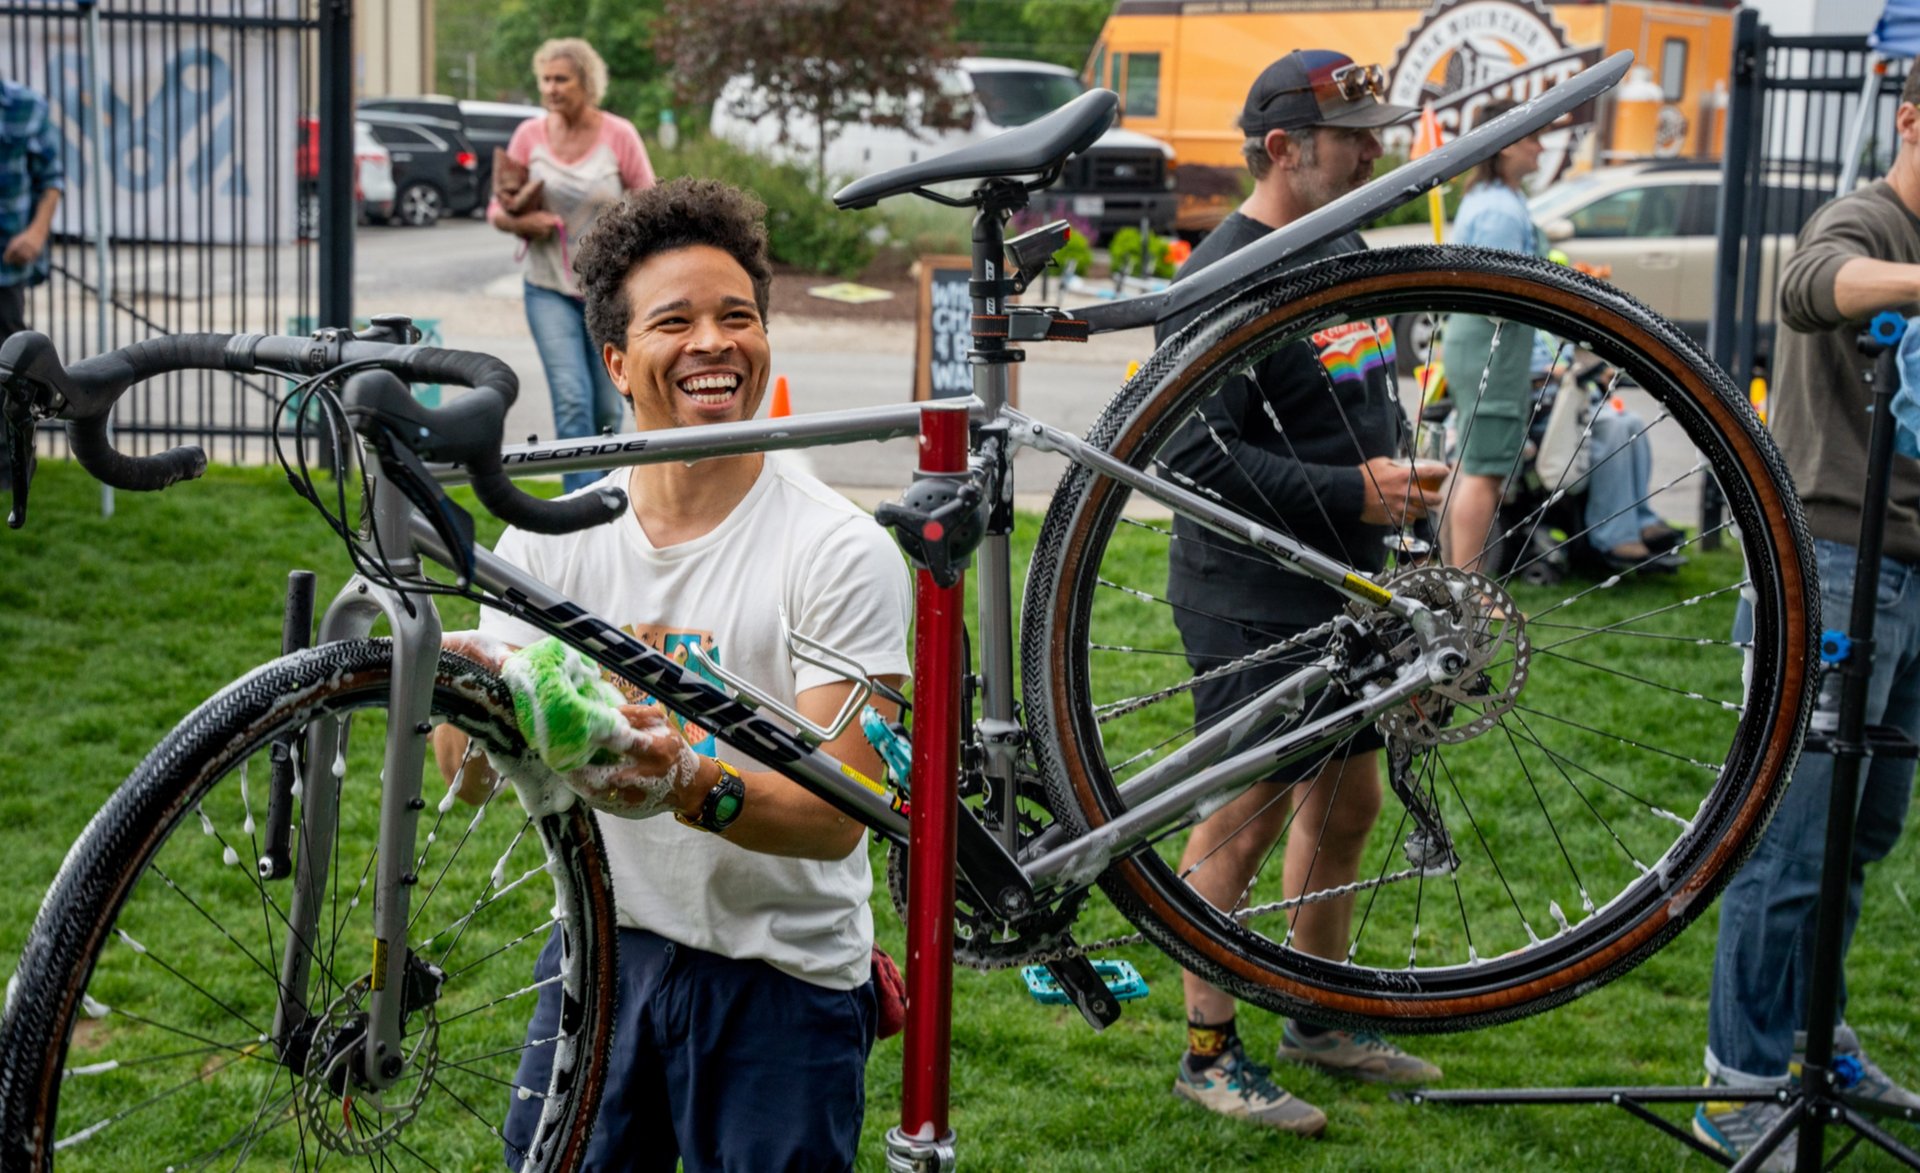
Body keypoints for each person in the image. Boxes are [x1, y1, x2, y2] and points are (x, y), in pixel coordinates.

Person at [436, 177, 912, 1170]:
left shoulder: (837, 549)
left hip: (784, 976)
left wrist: (686, 783)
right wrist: (467, 692)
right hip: (603, 952)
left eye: (737, 316)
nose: (714, 342)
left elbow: (842, 812)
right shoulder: (549, 547)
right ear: (615, 358)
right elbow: (467, 777)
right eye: (677, 321)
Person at [1155, 50, 1448, 1137]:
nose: (1376, 148)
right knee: (1244, 812)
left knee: (1348, 802)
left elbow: (1360, 398)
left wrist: (1397, 493)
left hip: (1351, 581)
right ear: (1283, 147)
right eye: (1355, 134)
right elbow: (1185, 457)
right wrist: (1348, 492)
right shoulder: (1220, 276)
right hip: (1252, 593)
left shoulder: (1339, 245)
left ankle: (1317, 1018)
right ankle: (1207, 1051)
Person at [1694, 68, 1920, 1170]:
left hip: (1909, 571)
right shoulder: (1864, 217)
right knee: (1784, 844)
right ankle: (1735, 1087)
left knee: (1857, 838)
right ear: (1912, 120)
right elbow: (1809, 281)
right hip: (1829, 566)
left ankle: (1817, 1044)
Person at [490, 38, 657, 493]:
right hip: (547, 289)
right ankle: (582, 516)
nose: (550, 88)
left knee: (607, 406)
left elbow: (650, 202)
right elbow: (497, 211)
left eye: (561, 79)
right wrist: (528, 220)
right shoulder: (529, 136)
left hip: (610, 291)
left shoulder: (618, 134)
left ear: (586, 82)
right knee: (572, 400)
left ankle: (610, 503)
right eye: (545, 79)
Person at [1440, 102, 1549, 574]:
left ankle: (1452, 578)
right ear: (1505, 146)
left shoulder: (1486, 197)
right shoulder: (1501, 211)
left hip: (1478, 344)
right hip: (1494, 349)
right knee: (1484, 471)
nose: (1541, 147)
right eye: (1532, 138)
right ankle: (1469, 589)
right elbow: (1503, 298)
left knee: (1468, 464)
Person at [1, 78, 64, 487]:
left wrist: (37, 234)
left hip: (4, 271)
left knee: (10, 375)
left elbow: (51, 179)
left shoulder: (25, 106)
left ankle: (12, 468)